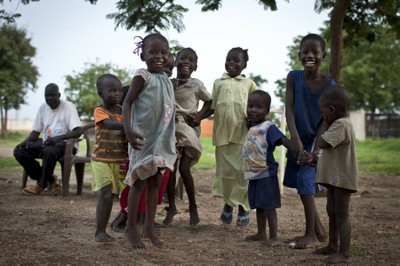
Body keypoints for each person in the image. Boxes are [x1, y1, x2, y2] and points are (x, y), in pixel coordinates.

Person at [123, 33, 176, 249]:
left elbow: (168, 109)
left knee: (155, 182)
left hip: (161, 139)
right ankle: (130, 228)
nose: (159, 56)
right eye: (153, 52)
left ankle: (149, 227)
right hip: (142, 139)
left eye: (164, 52)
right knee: (140, 181)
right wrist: (127, 130)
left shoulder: (167, 81)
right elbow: (127, 104)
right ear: (143, 55)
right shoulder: (142, 76)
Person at [283, 33, 334, 248]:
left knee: (306, 184)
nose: (310, 55)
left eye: (315, 52)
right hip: (297, 137)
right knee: (301, 186)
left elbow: (326, 119)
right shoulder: (293, 77)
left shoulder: (329, 85)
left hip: (316, 141)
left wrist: (315, 149)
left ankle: (310, 235)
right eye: (305, 52)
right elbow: (289, 109)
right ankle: (320, 232)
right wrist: (294, 140)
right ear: (299, 55)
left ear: (324, 55)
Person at [163, 47, 212, 226]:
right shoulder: (167, 83)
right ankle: (172, 207)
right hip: (170, 129)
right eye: (183, 58)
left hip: (189, 130)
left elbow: (210, 103)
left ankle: (193, 207)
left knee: (184, 169)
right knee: (170, 169)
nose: (186, 62)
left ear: (195, 66)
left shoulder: (196, 84)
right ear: (175, 61)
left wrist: (199, 116)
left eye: (191, 60)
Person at [211, 47, 257, 227]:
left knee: (242, 174)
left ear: (245, 65)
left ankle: (243, 208)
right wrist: (198, 117)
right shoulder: (218, 83)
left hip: (242, 137)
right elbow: (212, 106)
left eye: (236, 60)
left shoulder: (249, 84)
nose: (232, 63)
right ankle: (228, 204)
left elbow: (257, 107)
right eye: (228, 59)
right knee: (226, 174)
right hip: (222, 137)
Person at [313, 85, 358, 264]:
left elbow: (321, 142)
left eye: (323, 111)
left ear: (331, 110)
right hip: (334, 177)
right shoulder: (339, 123)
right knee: (331, 211)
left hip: (342, 178)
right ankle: (332, 245)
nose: (322, 115)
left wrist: (324, 122)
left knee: (341, 214)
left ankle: (344, 252)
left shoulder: (341, 124)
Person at [14, 83, 82, 196]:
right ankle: (50, 179)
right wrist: (25, 141)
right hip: (48, 143)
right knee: (19, 151)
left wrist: (57, 138)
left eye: (53, 95)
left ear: (59, 95)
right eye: (47, 96)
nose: (50, 98)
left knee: (49, 150)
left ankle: (41, 184)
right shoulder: (43, 108)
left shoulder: (68, 107)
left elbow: (78, 131)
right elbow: (36, 131)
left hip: (66, 144)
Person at [243, 90, 291, 247]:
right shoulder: (252, 125)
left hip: (266, 173)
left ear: (267, 111)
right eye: (250, 106)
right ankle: (261, 233)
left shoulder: (269, 127)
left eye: (259, 107)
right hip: (253, 173)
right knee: (259, 205)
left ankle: (274, 237)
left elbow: (282, 139)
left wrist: (295, 149)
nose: (253, 110)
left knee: (269, 206)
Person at [91, 73, 127, 242]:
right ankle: (100, 231)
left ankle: (114, 225)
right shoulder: (100, 111)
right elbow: (108, 124)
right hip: (101, 160)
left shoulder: (123, 111)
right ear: (101, 93)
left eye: (119, 90)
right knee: (105, 194)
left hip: (119, 160)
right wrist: (129, 125)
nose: (117, 93)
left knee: (116, 195)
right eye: (111, 90)